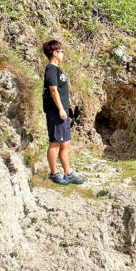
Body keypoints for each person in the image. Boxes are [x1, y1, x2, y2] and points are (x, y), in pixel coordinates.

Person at [42, 40, 85, 185]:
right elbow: (53, 90)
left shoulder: (57, 70)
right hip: (55, 112)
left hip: (64, 112)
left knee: (65, 144)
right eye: (61, 51)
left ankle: (68, 174)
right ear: (55, 53)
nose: (63, 54)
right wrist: (60, 109)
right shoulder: (50, 69)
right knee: (55, 143)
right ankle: (54, 174)